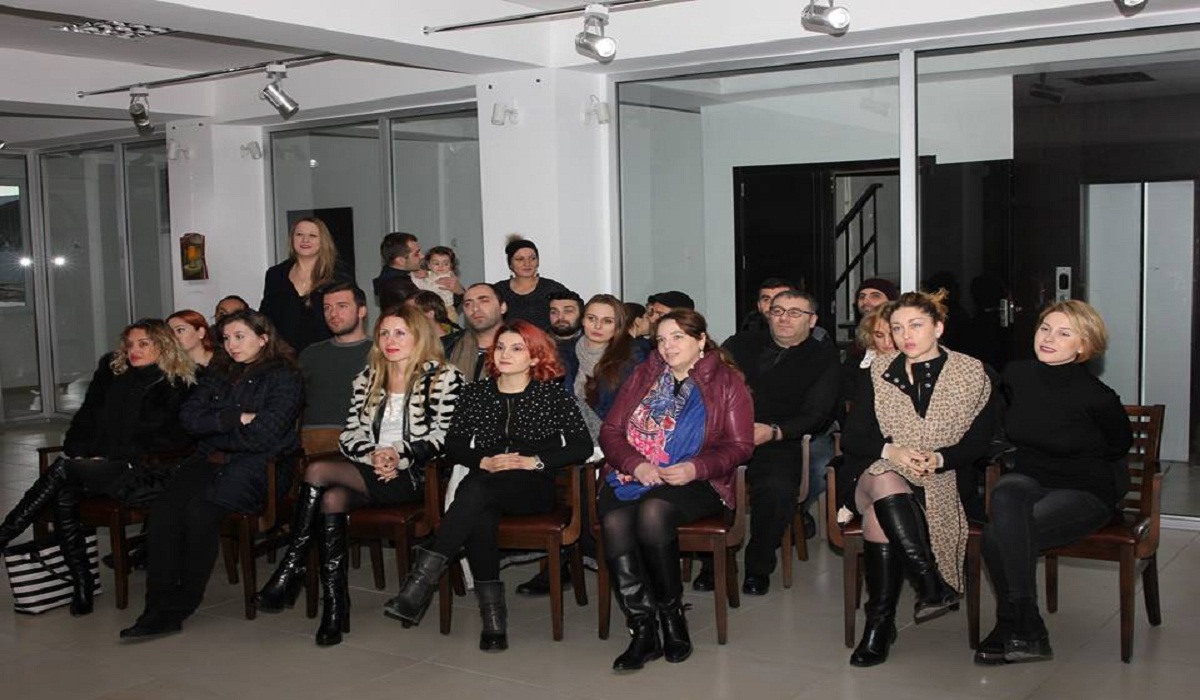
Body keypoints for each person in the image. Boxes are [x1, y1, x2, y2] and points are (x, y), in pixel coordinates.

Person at [256, 305, 464, 646]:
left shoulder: (444, 377)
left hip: (416, 475)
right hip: (370, 468)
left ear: (419, 336)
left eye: (400, 333)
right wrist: (373, 454)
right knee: (331, 498)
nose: (390, 340)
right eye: (384, 333)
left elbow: (447, 437)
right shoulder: (368, 377)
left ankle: (293, 567)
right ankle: (335, 606)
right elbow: (349, 435)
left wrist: (398, 454)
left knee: (317, 470)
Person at [382, 320, 593, 652]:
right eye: (501, 347)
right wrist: (483, 460)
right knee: (480, 509)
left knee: (475, 493)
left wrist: (533, 461)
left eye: (517, 348)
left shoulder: (552, 395)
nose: (505, 354)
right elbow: (454, 444)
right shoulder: (476, 393)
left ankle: (419, 585)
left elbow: (581, 446)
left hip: (531, 489)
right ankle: (493, 620)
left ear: (535, 357)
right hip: (484, 482)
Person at [120, 310, 303, 640]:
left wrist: (217, 429)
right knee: (163, 512)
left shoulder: (285, 377)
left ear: (263, 338)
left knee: (198, 512)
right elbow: (190, 418)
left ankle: (180, 607)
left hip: (258, 468)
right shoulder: (220, 372)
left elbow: (264, 435)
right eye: (227, 338)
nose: (232, 345)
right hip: (209, 460)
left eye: (240, 337)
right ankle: (156, 606)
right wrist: (236, 418)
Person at [840, 289, 995, 667]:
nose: (905, 335)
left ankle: (879, 624)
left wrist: (939, 458)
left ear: (938, 327)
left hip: (943, 480)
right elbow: (854, 438)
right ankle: (928, 581)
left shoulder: (972, 374)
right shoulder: (877, 371)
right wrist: (893, 452)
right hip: (870, 471)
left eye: (916, 325)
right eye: (897, 328)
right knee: (886, 478)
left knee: (881, 513)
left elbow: (980, 443)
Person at [0, 320, 196, 616]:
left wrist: (107, 457)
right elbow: (87, 418)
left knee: (64, 473)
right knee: (64, 491)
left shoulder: (180, 384)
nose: (133, 350)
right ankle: (82, 584)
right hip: (102, 465)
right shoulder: (113, 371)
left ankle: (8, 532)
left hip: (146, 471)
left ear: (163, 345)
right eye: (130, 344)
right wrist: (85, 453)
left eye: (143, 344)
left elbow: (176, 438)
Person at [976, 301, 1131, 665]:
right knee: (1006, 491)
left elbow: (1119, 446)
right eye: (1045, 328)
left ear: (1084, 345)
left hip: (1084, 489)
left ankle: (1012, 623)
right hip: (1031, 477)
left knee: (998, 536)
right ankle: (1027, 626)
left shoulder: (1097, 396)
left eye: (1063, 333)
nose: (1048, 338)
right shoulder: (1017, 374)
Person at [597, 309, 754, 671]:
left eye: (678, 337)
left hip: (699, 480)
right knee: (616, 521)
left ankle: (672, 618)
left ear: (701, 340)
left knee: (653, 512)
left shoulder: (727, 382)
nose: (668, 346)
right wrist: (635, 464)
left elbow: (740, 446)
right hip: (632, 474)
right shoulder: (644, 375)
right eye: (661, 339)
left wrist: (695, 467)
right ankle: (643, 628)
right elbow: (611, 432)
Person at [516, 294, 647, 597]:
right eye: (591, 319)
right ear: (583, 321)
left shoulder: (633, 357)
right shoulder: (562, 353)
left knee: (583, 477)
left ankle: (580, 554)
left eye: (607, 321)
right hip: (566, 440)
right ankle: (559, 555)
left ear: (618, 326)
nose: (597, 326)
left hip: (613, 441)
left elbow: (629, 414)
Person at [712, 290, 839, 595]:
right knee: (702, 478)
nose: (784, 318)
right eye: (778, 311)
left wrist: (774, 431)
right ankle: (712, 562)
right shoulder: (741, 344)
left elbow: (817, 414)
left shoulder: (823, 358)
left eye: (795, 313)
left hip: (778, 438)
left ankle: (758, 565)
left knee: (777, 489)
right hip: (726, 435)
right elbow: (710, 384)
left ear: (812, 321)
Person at [260, 218, 349, 354]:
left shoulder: (338, 275)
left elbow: (347, 316)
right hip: (283, 356)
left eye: (312, 235)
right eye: (299, 234)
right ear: (292, 239)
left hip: (328, 353)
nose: (305, 240)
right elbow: (266, 317)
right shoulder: (275, 274)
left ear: (323, 241)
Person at [297, 282, 372, 428]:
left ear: (361, 311)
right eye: (327, 308)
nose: (333, 314)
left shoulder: (380, 352)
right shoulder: (311, 354)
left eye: (342, 306)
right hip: (314, 436)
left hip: (362, 435)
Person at [493, 237, 568, 330]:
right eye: (520, 259)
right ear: (510, 264)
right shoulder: (498, 291)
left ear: (538, 261)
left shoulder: (554, 289)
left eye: (532, 258)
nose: (527, 263)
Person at [446, 283, 508, 383]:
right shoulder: (446, 347)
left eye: (484, 301)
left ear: (502, 307)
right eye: (468, 304)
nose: (475, 308)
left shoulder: (523, 347)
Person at [839, 306, 896, 407]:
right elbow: (849, 405)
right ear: (870, 334)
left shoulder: (915, 361)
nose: (887, 342)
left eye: (892, 335)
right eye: (879, 335)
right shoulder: (854, 364)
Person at [411, 245, 463, 323]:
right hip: (431, 308)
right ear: (429, 265)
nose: (441, 266)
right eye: (436, 263)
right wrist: (417, 274)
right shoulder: (430, 274)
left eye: (446, 264)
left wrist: (417, 278)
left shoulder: (448, 276)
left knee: (447, 326)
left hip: (446, 309)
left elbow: (429, 289)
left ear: (451, 266)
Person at [373, 232, 423, 310]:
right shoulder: (399, 288)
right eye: (416, 254)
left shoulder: (390, 276)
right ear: (400, 261)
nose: (422, 256)